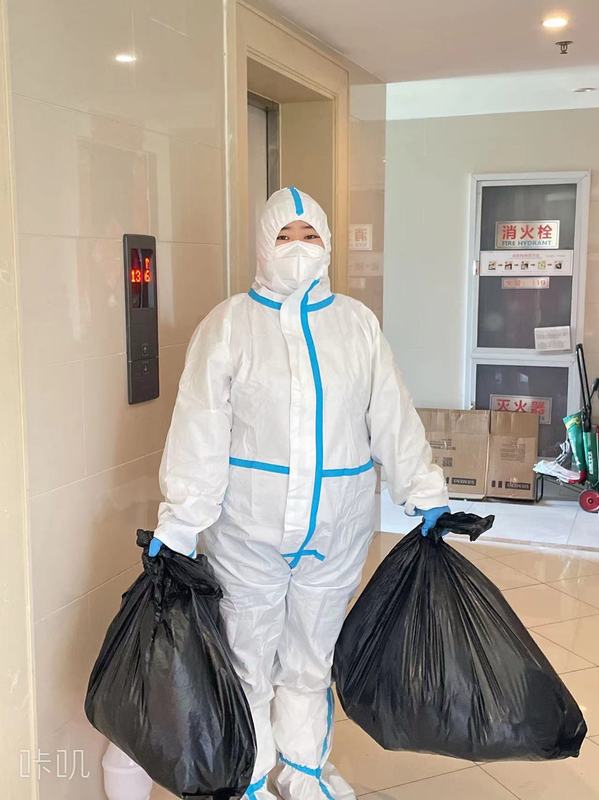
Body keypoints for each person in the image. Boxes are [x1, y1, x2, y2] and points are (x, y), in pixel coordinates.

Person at [149, 187, 450, 800]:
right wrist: (180, 522)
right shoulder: (229, 324)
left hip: (338, 528)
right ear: (263, 244)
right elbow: (199, 426)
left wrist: (423, 489)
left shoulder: (356, 325)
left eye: (310, 236)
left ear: (328, 243)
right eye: (284, 236)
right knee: (247, 661)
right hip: (246, 530)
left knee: (312, 660)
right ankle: (251, 780)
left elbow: (390, 413)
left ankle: (305, 772)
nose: (298, 248)